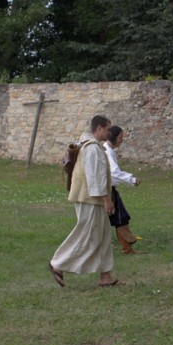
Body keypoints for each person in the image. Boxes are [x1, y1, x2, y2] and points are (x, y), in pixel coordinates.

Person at [48, 115, 124, 287]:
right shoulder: (92, 149)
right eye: (107, 129)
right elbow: (94, 177)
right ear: (99, 128)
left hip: (93, 199)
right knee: (87, 234)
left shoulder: (94, 147)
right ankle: (57, 263)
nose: (109, 133)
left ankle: (105, 277)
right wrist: (106, 199)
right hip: (90, 199)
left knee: (103, 236)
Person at [104, 125, 143, 254]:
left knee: (121, 218)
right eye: (120, 137)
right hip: (107, 191)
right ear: (113, 137)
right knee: (115, 219)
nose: (122, 140)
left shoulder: (110, 151)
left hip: (111, 190)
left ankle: (127, 248)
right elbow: (114, 172)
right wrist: (131, 179)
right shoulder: (106, 151)